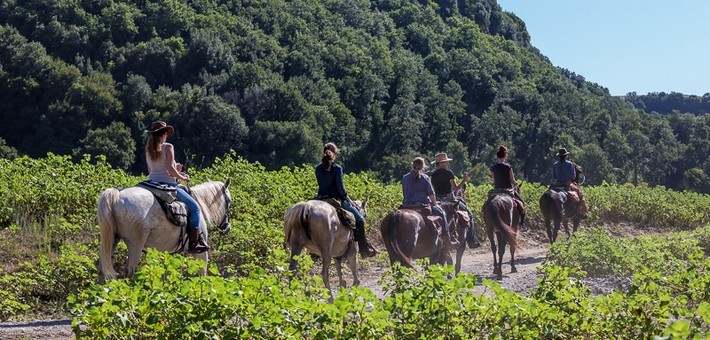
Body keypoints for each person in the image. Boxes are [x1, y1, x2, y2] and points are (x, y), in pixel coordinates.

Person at [145, 121, 210, 253]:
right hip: (167, 184)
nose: (167, 136)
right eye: (166, 134)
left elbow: (152, 170)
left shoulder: (149, 150)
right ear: (163, 134)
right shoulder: (168, 147)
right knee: (195, 208)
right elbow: (169, 169)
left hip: (150, 183)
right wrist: (182, 177)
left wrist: (177, 170)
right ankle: (194, 242)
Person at [315, 142, 377, 258]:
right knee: (360, 220)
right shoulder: (337, 168)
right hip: (336, 199)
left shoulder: (318, 169)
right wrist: (346, 197)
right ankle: (364, 250)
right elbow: (340, 188)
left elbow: (321, 185)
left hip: (321, 199)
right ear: (335, 154)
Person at [402, 157, 459, 249]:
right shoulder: (425, 177)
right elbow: (431, 194)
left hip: (406, 206)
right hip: (422, 205)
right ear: (423, 166)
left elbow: (404, 193)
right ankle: (447, 239)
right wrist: (435, 204)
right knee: (442, 214)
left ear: (413, 165)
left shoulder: (405, 178)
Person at [430, 152, 481, 248]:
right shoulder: (449, 173)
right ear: (441, 163)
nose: (447, 163)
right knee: (469, 214)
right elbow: (456, 189)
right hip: (449, 199)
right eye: (445, 162)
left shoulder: (434, 175)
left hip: (437, 200)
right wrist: (464, 180)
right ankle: (472, 239)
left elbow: (432, 189)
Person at [490, 145, 526, 227]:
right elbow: (512, 180)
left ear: (497, 156)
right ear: (505, 156)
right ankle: (522, 223)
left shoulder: (493, 168)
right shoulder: (508, 167)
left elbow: (494, 180)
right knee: (522, 203)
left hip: (497, 190)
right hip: (507, 190)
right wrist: (516, 183)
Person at [551, 147, 587, 217]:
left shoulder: (555, 165)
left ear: (559, 156)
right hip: (566, 184)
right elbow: (573, 176)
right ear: (566, 156)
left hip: (556, 184)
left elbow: (554, 177)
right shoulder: (570, 164)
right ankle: (581, 212)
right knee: (580, 195)